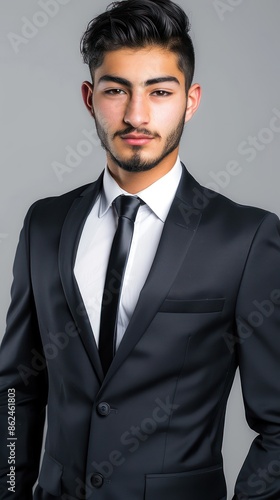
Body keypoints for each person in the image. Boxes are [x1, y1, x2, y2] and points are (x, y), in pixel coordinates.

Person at [0, 0, 280, 498]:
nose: (136, 114)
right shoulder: (45, 224)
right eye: (116, 90)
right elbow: (16, 391)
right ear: (90, 97)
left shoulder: (246, 238)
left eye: (159, 91)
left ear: (190, 100)